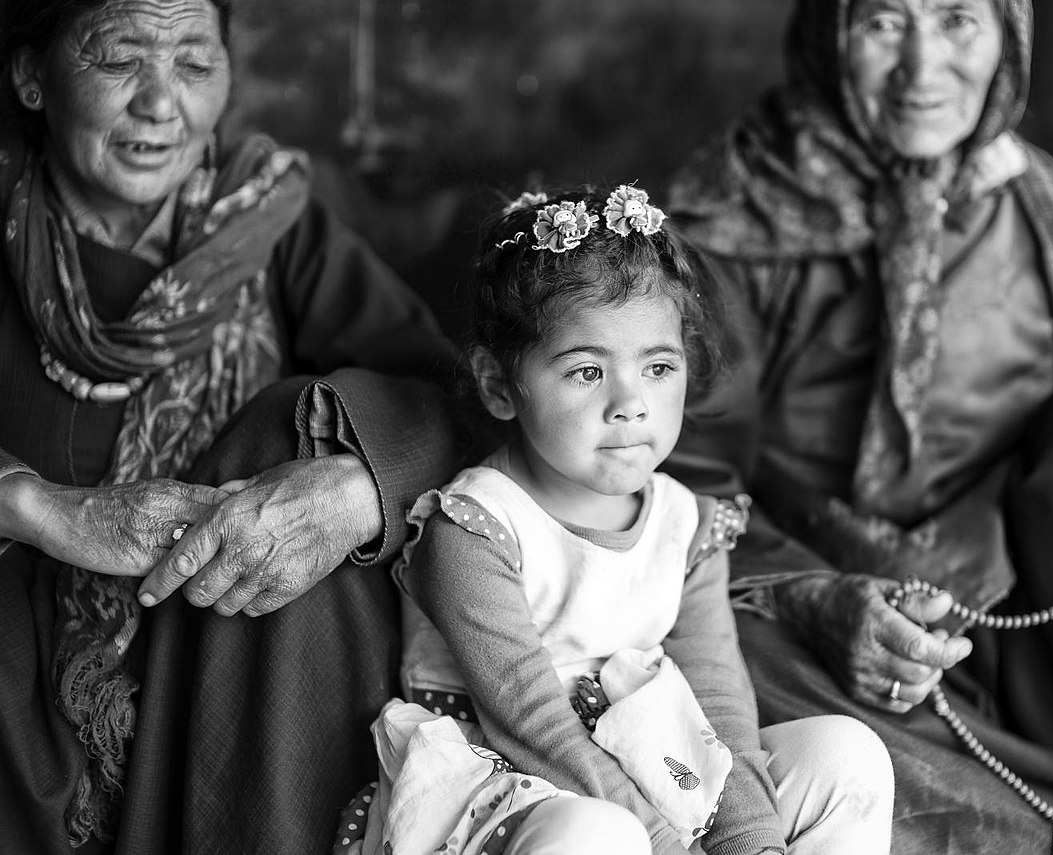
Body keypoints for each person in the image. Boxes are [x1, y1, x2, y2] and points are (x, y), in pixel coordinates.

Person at [662, 0, 1053, 853]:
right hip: (856, 640)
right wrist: (816, 599)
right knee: (699, 652)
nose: (924, 71)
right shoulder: (734, 219)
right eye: (883, 24)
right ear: (826, 35)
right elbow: (677, 489)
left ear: (1010, 40)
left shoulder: (1034, 200)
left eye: (958, 20)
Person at [0, 1, 461, 853]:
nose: (160, 103)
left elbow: (447, 393)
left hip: (233, 655)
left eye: (194, 62)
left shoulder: (266, 221)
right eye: (119, 58)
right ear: (33, 77)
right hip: (27, 691)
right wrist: (47, 511)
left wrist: (358, 487)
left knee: (297, 429)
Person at [337, 186, 894, 855]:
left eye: (658, 366)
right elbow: (531, 725)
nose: (630, 404)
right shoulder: (476, 527)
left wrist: (751, 840)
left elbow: (719, 703)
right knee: (600, 835)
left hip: (658, 768)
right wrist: (668, 842)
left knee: (846, 752)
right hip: (516, 788)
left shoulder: (686, 525)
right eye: (585, 372)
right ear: (497, 384)